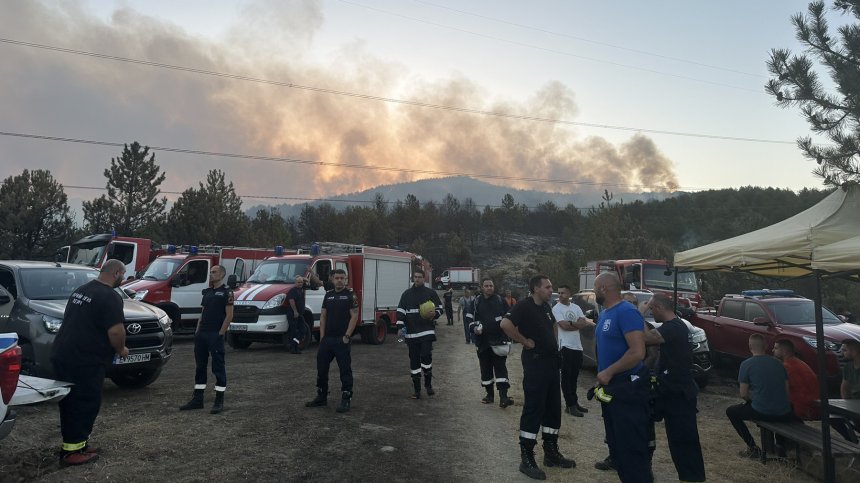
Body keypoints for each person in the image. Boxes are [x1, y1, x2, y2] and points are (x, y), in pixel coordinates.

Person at [51, 259, 128, 466]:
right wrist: (121, 349)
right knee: (84, 403)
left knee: (71, 402)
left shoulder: (82, 290)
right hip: (85, 359)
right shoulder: (110, 296)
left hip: (64, 353)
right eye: (123, 274)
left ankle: (79, 444)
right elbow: (116, 331)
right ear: (116, 273)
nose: (123, 278)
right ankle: (72, 452)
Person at [501, 275, 574, 480]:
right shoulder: (524, 306)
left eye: (551, 287)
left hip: (551, 363)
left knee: (553, 408)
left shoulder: (546, 307)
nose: (551, 290)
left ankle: (551, 452)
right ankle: (527, 458)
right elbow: (505, 324)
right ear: (535, 288)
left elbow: (553, 326)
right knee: (534, 408)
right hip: (536, 363)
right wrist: (524, 341)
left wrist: (555, 345)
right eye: (547, 287)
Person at [592, 272, 651, 483]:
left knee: (632, 450)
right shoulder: (605, 314)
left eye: (595, 288)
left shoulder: (626, 311)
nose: (594, 292)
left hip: (627, 390)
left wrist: (609, 372)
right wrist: (602, 374)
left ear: (603, 288)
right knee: (618, 449)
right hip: (612, 388)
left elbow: (637, 352)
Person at [641, 294, 706, 482]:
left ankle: (693, 479)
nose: (652, 313)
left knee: (684, 441)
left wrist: (639, 314)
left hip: (680, 394)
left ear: (659, 307)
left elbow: (645, 338)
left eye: (652, 309)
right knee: (676, 439)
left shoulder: (674, 327)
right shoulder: (675, 326)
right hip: (670, 391)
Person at [725, 333, 794, 459]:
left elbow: (743, 394)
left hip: (762, 411)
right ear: (766, 346)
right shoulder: (779, 364)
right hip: (784, 412)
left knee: (731, 411)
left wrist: (753, 400)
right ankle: (780, 446)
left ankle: (752, 447)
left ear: (750, 346)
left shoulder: (746, 364)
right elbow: (786, 391)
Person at [179, 265, 234, 414]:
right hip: (202, 335)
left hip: (215, 334)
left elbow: (229, 315)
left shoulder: (227, 292)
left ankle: (219, 401)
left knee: (218, 368)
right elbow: (202, 313)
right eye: (210, 272)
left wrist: (220, 334)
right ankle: (197, 399)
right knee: (200, 367)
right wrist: (197, 331)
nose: (211, 274)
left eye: (214, 272)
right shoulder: (208, 292)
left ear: (222, 275)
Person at [305, 269, 359, 413]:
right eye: (337, 278)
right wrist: (322, 337)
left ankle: (346, 398)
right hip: (327, 340)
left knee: (345, 370)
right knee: (321, 369)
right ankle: (321, 396)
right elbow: (323, 316)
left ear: (345, 279)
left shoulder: (350, 295)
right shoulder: (328, 295)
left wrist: (347, 336)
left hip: (342, 340)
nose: (340, 280)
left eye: (342, 278)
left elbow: (354, 316)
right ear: (333, 279)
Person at [396, 269, 443, 399]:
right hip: (411, 335)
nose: (417, 279)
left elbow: (440, 308)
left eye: (419, 277)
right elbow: (401, 311)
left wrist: (435, 314)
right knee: (414, 362)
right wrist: (400, 327)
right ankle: (417, 390)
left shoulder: (430, 293)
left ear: (424, 278)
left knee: (426, 356)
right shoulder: (406, 294)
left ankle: (428, 385)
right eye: (415, 277)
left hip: (427, 332)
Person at [469, 278, 513, 407]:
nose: (489, 288)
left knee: (501, 369)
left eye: (491, 286)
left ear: (494, 287)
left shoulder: (500, 300)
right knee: (485, 369)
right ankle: (489, 395)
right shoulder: (476, 302)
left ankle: (504, 397)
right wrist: (474, 328)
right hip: (482, 342)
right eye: (486, 286)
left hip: (499, 341)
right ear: (482, 287)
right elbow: (470, 319)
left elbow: (509, 317)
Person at [552, 284, 594, 417]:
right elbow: (563, 326)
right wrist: (576, 324)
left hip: (577, 346)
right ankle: (570, 405)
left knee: (574, 377)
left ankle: (575, 402)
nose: (560, 295)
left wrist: (571, 324)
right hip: (565, 346)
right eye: (559, 293)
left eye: (563, 293)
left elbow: (583, 323)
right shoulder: (556, 308)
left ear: (569, 293)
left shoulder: (576, 307)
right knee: (566, 377)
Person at [772, 338, 819, 421]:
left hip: (800, 408)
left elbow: (779, 389)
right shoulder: (800, 363)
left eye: (776, 348)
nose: (773, 350)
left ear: (784, 351)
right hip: (812, 405)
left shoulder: (787, 366)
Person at [831, 338, 860, 442]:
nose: (842, 353)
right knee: (829, 414)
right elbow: (844, 387)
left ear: (854, 352)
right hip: (853, 404)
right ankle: (850, 439)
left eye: (845, 350)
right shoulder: (848, 367)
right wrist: (846, 404)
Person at [287, 275, 312, 354]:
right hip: (293, 314)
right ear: (295, 283)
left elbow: (308, 282)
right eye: (298, 282)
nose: (300, 283)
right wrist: (295, 311)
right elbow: (291, 301)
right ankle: (293, 348)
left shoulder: (301, 289)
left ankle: (295, 345)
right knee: (293, 331)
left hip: (300, 314)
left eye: (301, 282)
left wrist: (303, 278)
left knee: (304, 329)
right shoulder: (293, 291)